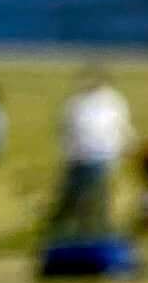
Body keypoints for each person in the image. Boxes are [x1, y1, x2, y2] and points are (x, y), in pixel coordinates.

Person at [46, 66, 133, 245]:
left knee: (98, 200)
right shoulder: (76, 103)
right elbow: (65, 130)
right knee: (73, 199)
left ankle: (97, 235)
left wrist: (124, 149)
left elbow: (122, 129)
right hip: (78, 159)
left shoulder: (112, 102)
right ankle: (68, 234)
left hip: (101, 159)